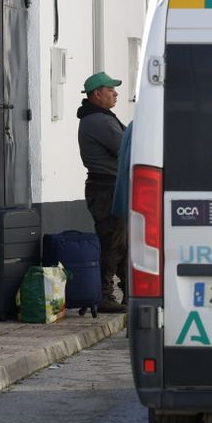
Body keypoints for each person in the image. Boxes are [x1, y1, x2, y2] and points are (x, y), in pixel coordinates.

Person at [77, 71, 128, 313]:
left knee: (123, 242)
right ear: (98, 94)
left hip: (110, 187)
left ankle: (130, 292)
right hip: (106, 188)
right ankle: (104, 295)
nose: (116, 93)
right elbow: (125, 146)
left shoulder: (102, 117)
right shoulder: (99, 121)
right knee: (113, 241)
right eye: (111, 89)